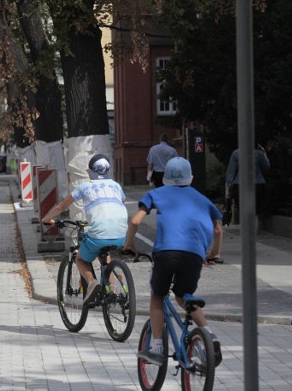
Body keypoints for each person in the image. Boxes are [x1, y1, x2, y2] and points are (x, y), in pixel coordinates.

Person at [123, 157, 223, 366]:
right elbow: (217, 230)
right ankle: (208, 333)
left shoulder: (156, 193)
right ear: (191, 177)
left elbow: (134, 220)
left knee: (158, 296)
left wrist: (129, 245)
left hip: (166, 252)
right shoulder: (202, 199)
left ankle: (157, 348)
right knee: (184, 295)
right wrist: (214, 254)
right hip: (194, 254)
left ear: (165, 178)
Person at [41, 154, 128, 304]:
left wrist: (47, 219)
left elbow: (62, 206)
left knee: (79, 258)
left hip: (99, 234)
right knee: (104, 251)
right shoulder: (116, 186)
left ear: (90, 171)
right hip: (121, 235)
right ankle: (113, 287)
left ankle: (92, 283)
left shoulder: (84, 187)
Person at [225, 143, 270, 228]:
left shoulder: (236, 153)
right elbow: (266, 167)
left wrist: (227, 190)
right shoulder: (259, 154)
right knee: (255, 213)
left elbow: (230, 173)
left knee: (244, 212)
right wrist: (264, 154)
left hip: (239, 185)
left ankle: (246, 236)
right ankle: (253, 236)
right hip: (258, 185)